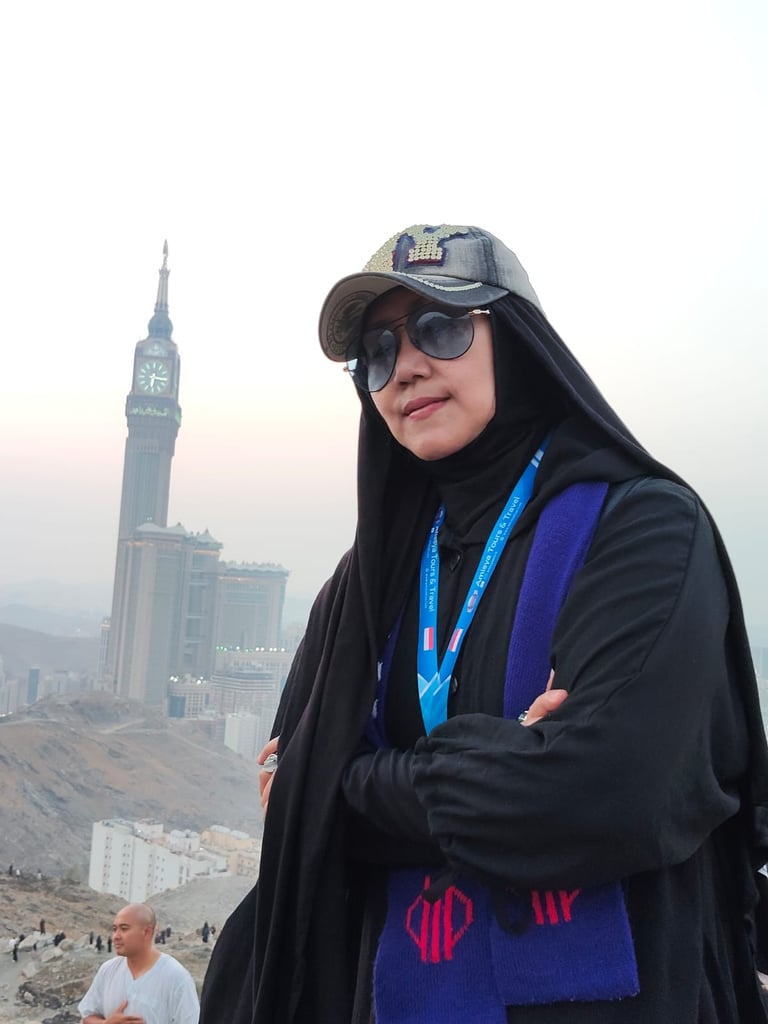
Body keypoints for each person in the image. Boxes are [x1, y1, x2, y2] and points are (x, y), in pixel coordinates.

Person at [200, 223, 768, 1022]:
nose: (406, 367)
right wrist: (500, 771)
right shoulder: (365, 587)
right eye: (377, 353)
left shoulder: (644, 530)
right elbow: (293, 805)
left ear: (518, 342)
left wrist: (347, 783)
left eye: (440, 327)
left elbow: (602, 794)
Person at [79, 902, 199, 1024]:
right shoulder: (108, 970)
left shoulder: (176, 977)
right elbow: (87, 1017)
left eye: (124, 929)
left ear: (146, 932)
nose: (115, 936)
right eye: (114, 929)